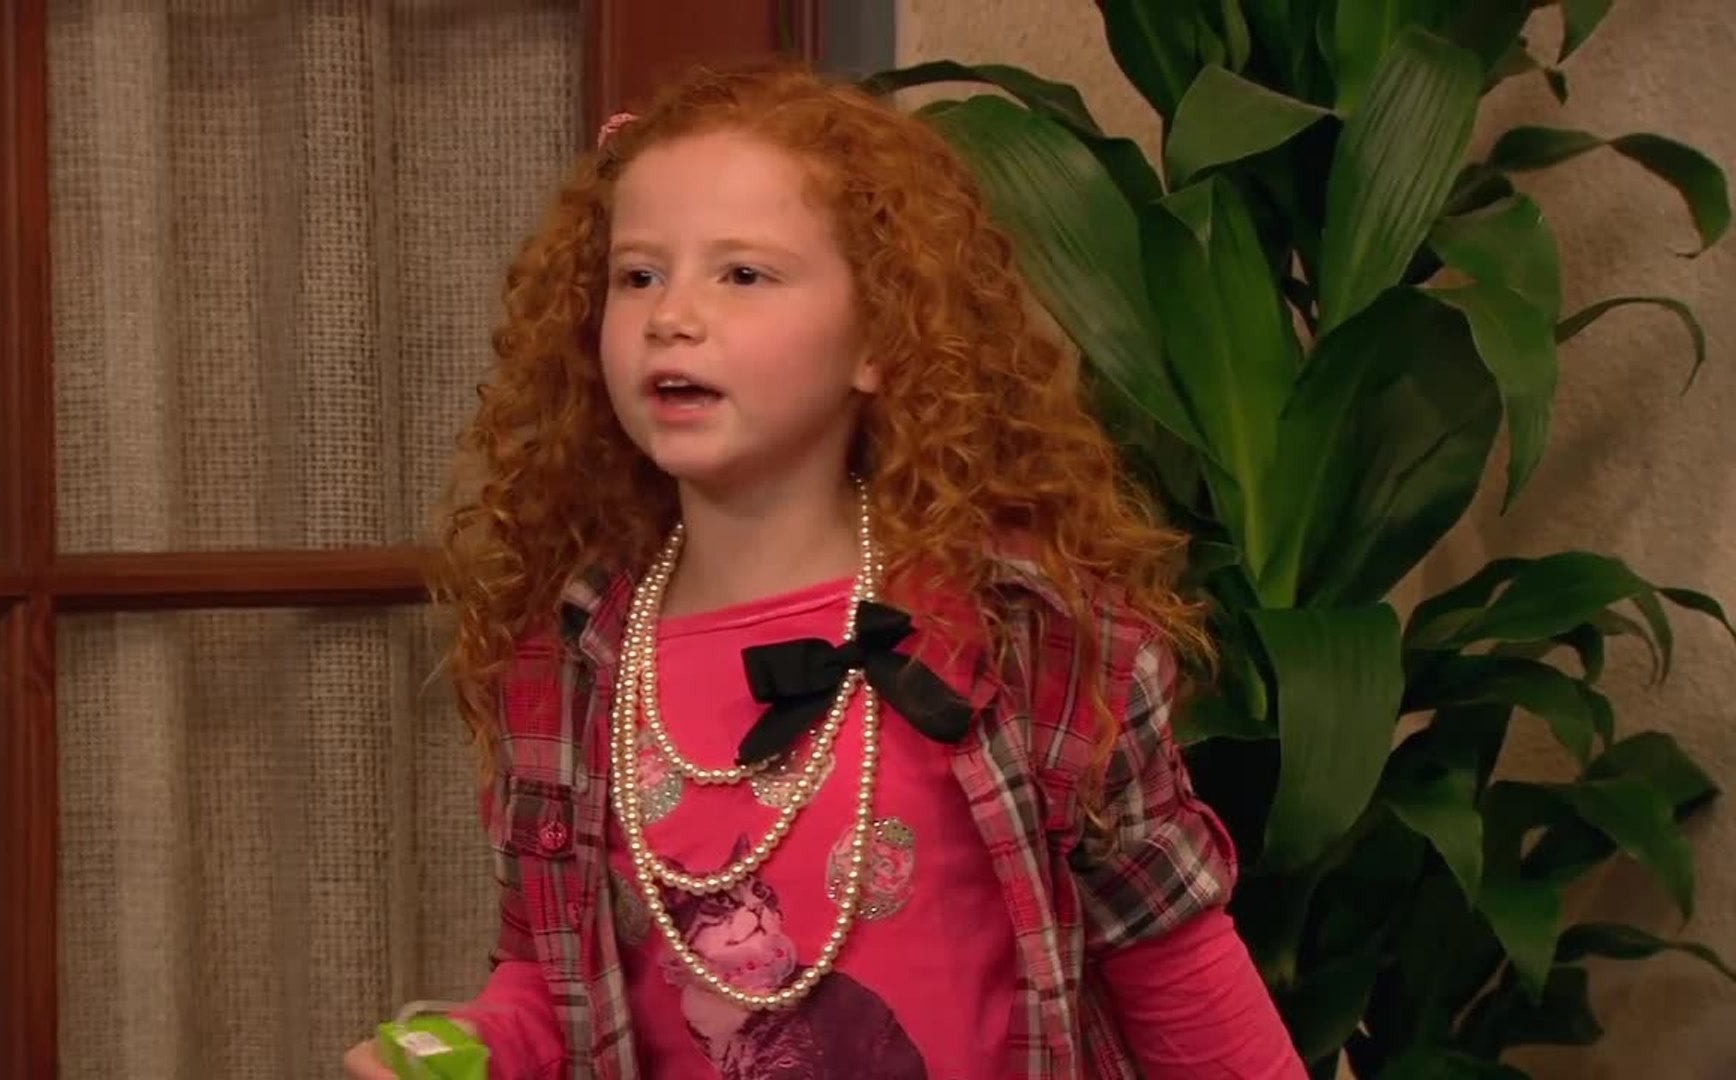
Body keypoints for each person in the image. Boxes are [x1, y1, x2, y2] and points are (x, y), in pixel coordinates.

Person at [346, 59, 1304, 1080]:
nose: (672, 315)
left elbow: (1176, 965)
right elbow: (549, 983)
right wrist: (467, 1048)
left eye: (742, 275)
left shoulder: (1025, 637)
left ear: (879, 339)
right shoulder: (566, 662)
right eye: (638, 276)